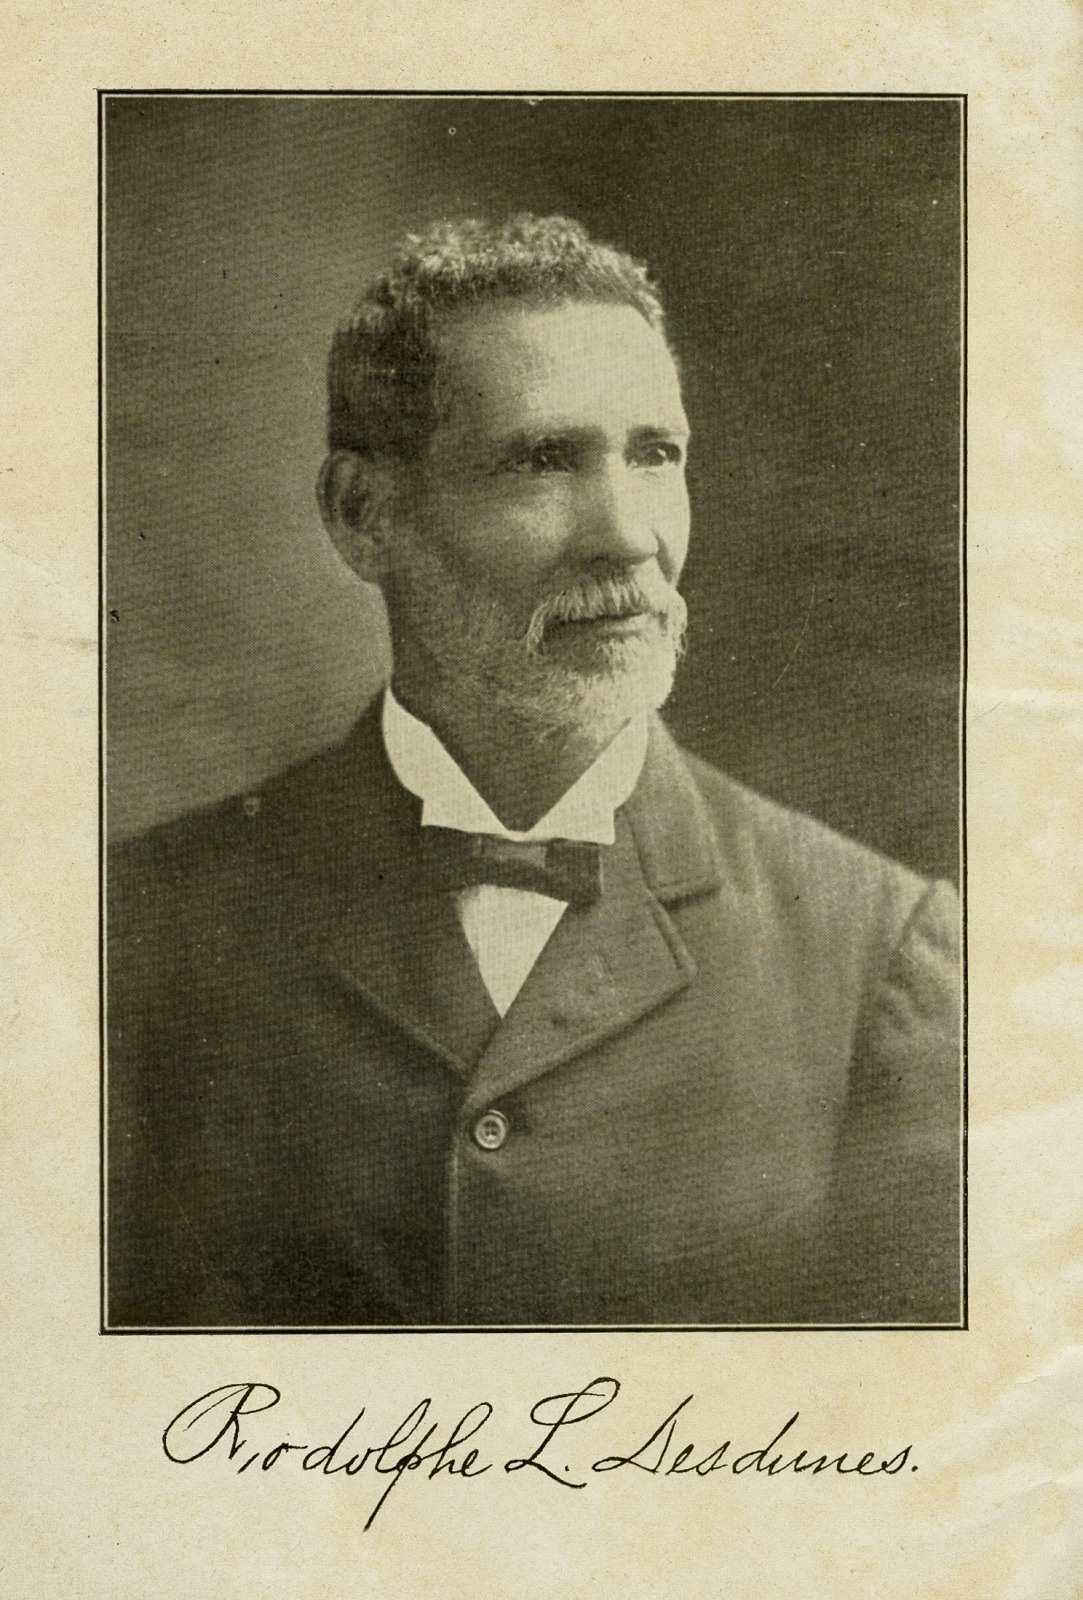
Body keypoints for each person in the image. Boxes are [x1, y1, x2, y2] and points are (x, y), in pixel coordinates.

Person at [107, 215, 961, 1329]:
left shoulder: (881, 958)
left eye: (655, 454)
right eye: (544, 461)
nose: (626, 536)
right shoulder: (137, 932)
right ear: (363, 516)